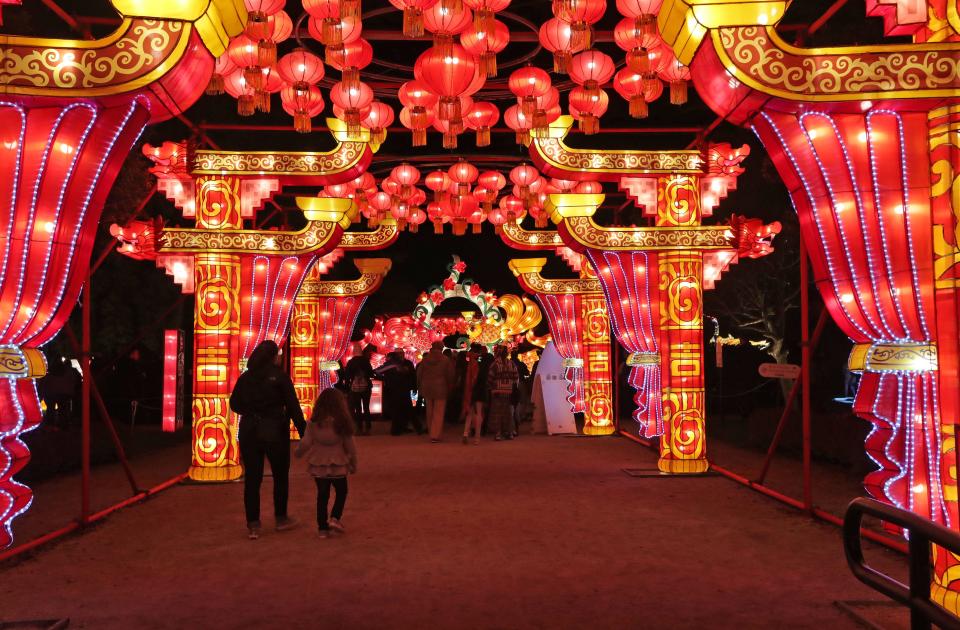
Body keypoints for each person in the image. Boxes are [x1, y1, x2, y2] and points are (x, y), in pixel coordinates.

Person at [229, 340, 306, 540]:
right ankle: (281, 518)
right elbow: (293, 406)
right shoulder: (279, 377)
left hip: (249, 431)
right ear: (273, 356)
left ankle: (253, 524)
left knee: (252, 478)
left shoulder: (245, 378)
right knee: (280, 475)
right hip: (274, 430)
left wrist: (251, 412)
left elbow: (234, 404)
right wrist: (304, 432)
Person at [295, 388, 358, 539]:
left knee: (322, 495)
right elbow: (351, 447)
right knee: (341, 491)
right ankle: (335, 518)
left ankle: (322, 528)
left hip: (318, 463)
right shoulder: (343, 424)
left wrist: (298, 453)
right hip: (339, 463)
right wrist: (354, 463)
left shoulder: (313, 423)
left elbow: (306, 443)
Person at [375, 349, 421, 435]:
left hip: (397, 389)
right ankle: (415, 428)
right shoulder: (405, 364)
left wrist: (384, 379)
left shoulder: (392, 364)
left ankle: (397, 430)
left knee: (399, 410)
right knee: (408, 409)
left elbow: (377, 371)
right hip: (404, 389)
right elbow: (412, 375)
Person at [417, 341, 455, 443]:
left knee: (429, 411)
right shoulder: (445, 360)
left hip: (427, 387)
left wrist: (420, 386)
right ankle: (435, 434)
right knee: (439, 412)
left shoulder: (425, 359)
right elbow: (450, 375)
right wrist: (450, 386)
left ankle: (431, 432)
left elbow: (419, 374)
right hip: (441, 387)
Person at [487, 346, 520, 440]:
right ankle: (509, 433)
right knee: (508, 413)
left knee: (497, 413)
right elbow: (516, 378)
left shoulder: (495, 364)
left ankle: (498, 433)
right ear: (507, 354)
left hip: (497, 392)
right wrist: (512, 387)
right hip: (509, 392)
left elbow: (490, 378)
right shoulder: (511, 364)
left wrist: (491, 388)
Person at [343, 345, 376, 435]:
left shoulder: (351, 362)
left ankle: (359, 428)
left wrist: (346, 387)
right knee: (366, 408)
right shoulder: (366, 361)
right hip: (366, 387)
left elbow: (347, 376)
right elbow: (371, 374)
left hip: (355, 388)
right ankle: (368, 428)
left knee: (357, 408)